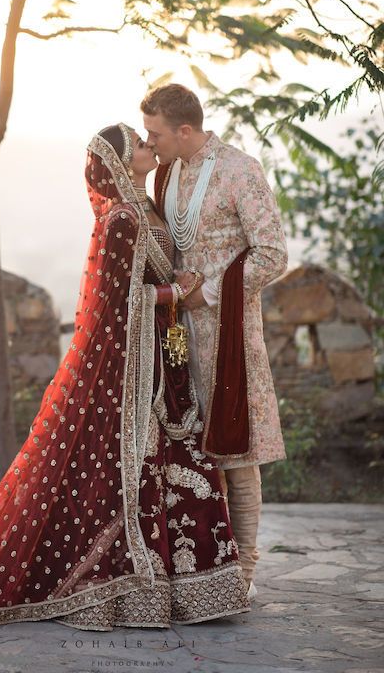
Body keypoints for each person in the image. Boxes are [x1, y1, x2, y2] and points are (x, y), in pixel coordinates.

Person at [0, 123, 249, 629]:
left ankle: (190, 590)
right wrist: (175, 294)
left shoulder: (147, 209)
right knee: (131, 470)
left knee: (178, 461)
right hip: (131, 372)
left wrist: (176, 289)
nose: (145, 147)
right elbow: (118, 304)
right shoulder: (119, 221)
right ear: (117, 162)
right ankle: (125, 589)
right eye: (136, 144)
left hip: (162, 365)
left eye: (144, 139)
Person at [142, 85, 288, 599]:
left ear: (185, 130)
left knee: (236, 452)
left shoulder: (239, 170)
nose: (149, 141)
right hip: (177, 335)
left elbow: (272, 254)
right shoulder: (166, 173)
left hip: (228, 334)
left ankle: (242, 570)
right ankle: (205, 564)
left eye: (156, 133)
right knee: (188, 450)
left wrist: (208, 292)